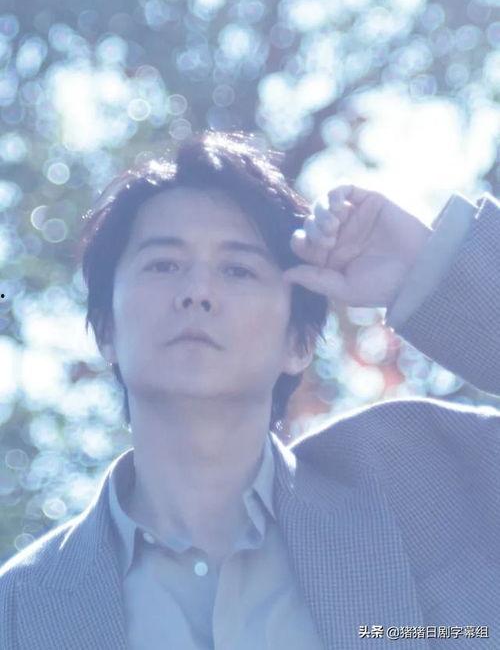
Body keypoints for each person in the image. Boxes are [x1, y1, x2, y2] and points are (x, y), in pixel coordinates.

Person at [0, 130, 499, 649]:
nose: (197, 292)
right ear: (106, 330)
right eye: (164, 264)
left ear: (299, 343)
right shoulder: (19, 611)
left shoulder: (417, 484)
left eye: (237, 269)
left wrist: (428, 265)